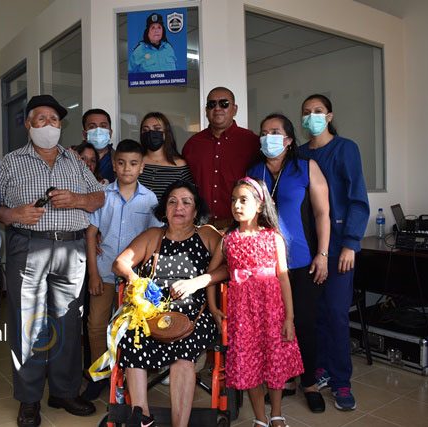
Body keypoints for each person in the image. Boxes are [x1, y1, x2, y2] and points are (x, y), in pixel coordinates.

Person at [0, 95, 105, 427]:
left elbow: (98, 197)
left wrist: (77, 198)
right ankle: (29, 399)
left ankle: (64, 391)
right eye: (41, 119)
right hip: (28, 247)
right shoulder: (10, 162)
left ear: (61, 125)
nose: (48, 124)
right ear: (28, 124)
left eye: (54, 119)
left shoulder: (74, 160)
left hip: (72, 249)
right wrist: (14, 214)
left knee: (69, 321)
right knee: (28, 323)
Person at [177, 177, 303, 427]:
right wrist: (213, 307)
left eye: (243, 200)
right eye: (234, 200)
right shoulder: (228, 240)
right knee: (250, 364)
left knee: (275, 362)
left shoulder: (273, 238)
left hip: (271, 311)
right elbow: (211, 274)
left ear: (260, 205)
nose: (236, 205)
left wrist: (289, 317)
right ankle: (260, 418)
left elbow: (283, 278)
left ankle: (277, 414)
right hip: (243, 314)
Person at [112, 180, 221, 427]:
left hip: (194, 315)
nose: (178, 207)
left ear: (196, 210)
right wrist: (136, 280)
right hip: (154, 313)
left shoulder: (206, 235)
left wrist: (198, 281)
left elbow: (227, 266)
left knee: (184, 353)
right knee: (132, 335)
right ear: (164, 209)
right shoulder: (154, 236)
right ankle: (142, 416)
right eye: (172, 202)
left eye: (186, 202)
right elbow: (120, 263)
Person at [246, 113, 330, 413]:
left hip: (303, 261)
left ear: (289, 139)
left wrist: (323, 254)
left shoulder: (306, 167)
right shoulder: (254, 172)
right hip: (264, 265)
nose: (268, 137)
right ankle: (286, 380)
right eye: (264, 132)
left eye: (275, 131)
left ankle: (309, 383)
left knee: (304, 322)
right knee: (275, 325)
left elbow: (322, 213)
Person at [298, 94, 370, 411]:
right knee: (313, 314)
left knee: (337, 314)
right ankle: (320, 368)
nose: (312, 116)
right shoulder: (300, 154)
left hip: (340, 245)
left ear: (329, 116)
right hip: (307, 248)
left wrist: (351, 243)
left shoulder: (345, 149)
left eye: (318, 111)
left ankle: (342, 382)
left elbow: (357, 199)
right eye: (306, 112)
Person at [83, 139, 163, 400]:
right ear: (114, 166)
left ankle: (129, 378)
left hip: (134, 278)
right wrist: (93, 274)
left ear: (142, 167)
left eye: (133, 163)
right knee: (96, 325)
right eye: (121, 163)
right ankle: (100, 376)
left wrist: (146, 276)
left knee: (131, 330)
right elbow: (91, 234)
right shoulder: (103, 195)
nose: (127, 168)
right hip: (104, 273)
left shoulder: (150, 199)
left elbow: (155, 238)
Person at [182, 86, 260, 229]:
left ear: (234, 109)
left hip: (239, 225)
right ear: (206, 111)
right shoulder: (192, 145)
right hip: (200, 226)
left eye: (224, 104)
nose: (217, 108)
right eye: (212, 104)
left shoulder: (252, 142)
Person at [138, 111, 194, 200]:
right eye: (145, 130)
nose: (150, 133)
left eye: (157, 129)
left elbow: (190, 199)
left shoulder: (180, 166)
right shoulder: (134, 162)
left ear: (166, 133)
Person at [82, 108, 115, 182]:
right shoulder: (73, 158)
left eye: (103, 126)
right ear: (84, 134)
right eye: (92, 127)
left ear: (110, 133)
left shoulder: (119, 159)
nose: (98, 131)